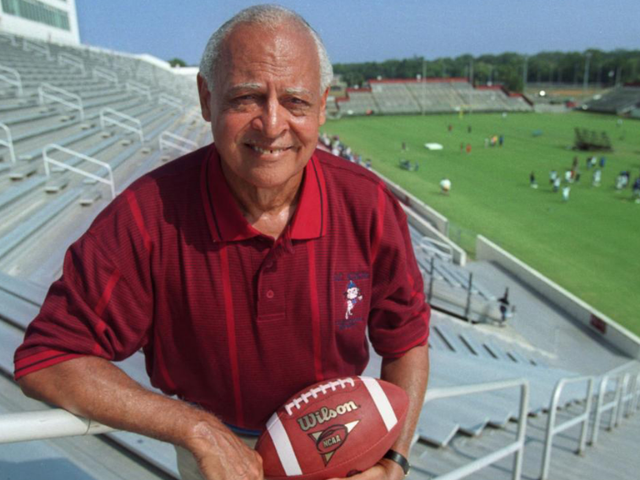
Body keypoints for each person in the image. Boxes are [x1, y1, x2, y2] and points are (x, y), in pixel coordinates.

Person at [14, 6, 430, 480]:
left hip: (339, 447)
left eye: (295, 101)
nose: (272, 126)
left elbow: (408, 341)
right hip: (216, 452)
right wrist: (193, 427)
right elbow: (46, 358)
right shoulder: (145, 217)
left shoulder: (368, 204)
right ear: (206, 98)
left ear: (322, 104)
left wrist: (393, 461)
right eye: (247, 98)